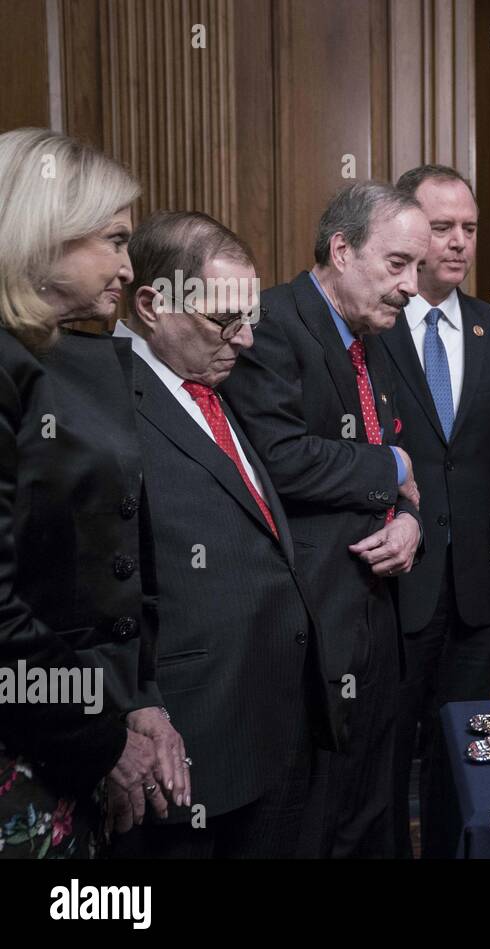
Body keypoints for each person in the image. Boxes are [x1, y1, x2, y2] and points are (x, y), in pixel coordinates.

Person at [111, 211, 336, 858]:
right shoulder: (105, 404)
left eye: (250, 319)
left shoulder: (213, 382)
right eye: (221, 319)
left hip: (274, 727)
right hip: (187, 744)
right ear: (153, 303)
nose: (242, 340)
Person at [220, 182, 426, 858]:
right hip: (309, 630)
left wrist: (407, 518)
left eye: (417, 267)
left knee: (369, 815)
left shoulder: (375, 334)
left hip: (377, 619)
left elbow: (385, 450)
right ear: (341, 249)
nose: (412, 285)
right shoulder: (272, 321)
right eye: (398, 263)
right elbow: (277, 459)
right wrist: (393, 468)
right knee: (312, 827)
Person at [0, 129, 181, 856]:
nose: (128, 266)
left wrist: (131, 706)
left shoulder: (46, 357)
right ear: (42, 232)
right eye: (113, 239)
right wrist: (101, 734)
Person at [382, 164, 490, 858]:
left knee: (462, 754)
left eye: (468, 228)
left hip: (479, 584)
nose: (457, 242)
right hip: (391, 585)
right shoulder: (373, 324)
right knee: (385, 760)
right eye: (441, 227)